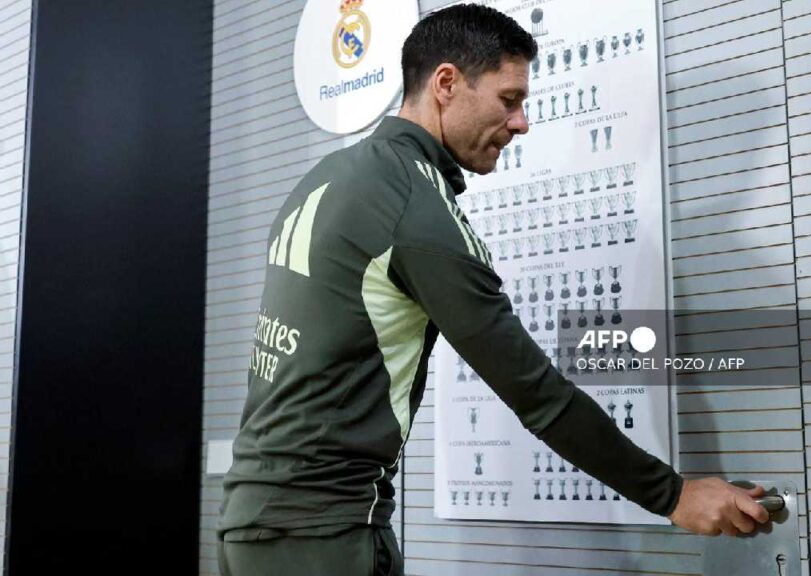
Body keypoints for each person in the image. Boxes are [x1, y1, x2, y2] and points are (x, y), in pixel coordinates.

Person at [217, 4, 769, 575]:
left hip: (250, 523)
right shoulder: (413, 206)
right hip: (322, 535)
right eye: (509, 100)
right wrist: (674, 495)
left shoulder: (328, 177)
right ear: (447, 84)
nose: (522, 122)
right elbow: (537, 394)